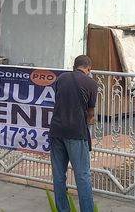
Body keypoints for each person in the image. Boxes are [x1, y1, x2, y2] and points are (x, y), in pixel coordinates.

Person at [49, 55, 98, 212]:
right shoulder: (91, 83)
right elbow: (90, 113)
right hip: (76, 133)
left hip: (56, 131)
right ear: (88, 68)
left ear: (74, 66)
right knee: (82, 176)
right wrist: (91, 121)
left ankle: (63, 209)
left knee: (58, 176)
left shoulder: (61, 79)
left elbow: (59, 99)